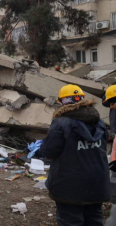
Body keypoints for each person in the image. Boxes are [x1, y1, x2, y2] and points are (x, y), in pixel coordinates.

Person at [40, 84, 111, 226]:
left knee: (70, 221)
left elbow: (48, 151)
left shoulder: (61, 123)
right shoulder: (99, 121)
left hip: (69, 186)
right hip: (98, 183)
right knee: (94, 220)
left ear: (63, 102)